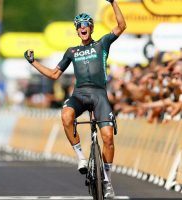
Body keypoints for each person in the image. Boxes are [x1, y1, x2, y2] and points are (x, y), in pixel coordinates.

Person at [24, 0, 126, 198]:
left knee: (108, 138)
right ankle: (80, 157)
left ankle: (107, 181)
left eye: (86, 24)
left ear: (91, 28)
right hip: (79, 94)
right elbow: (54, 74)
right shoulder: (72, 51)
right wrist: (33, 62)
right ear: (77, 31)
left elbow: (122, 26)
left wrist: (113, 2)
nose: (83, 28)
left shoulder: (102, 44)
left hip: (99, 95)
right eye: (79, 26)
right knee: (66, 116)